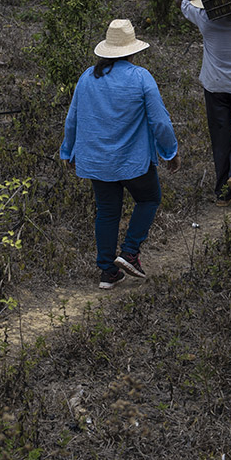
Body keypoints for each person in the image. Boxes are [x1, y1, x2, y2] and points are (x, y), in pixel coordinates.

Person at [60, 19, 180, 289]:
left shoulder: (88, 77)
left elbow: (73, 119)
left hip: (97, 161)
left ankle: (107, 272)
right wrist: (169, 152)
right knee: (149, 199)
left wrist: (68, 151)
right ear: (132, 49)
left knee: (107, 211)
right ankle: (129, 252)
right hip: (133, 160)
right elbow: (159, 121)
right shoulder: (140, 77)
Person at [175, 0, 231, 206]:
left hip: (215, 87)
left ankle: (223, 195)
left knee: (221, 139)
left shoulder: (205, 18)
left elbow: (180, 1)